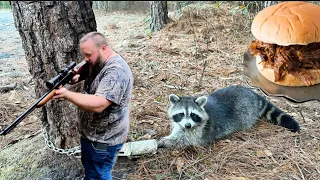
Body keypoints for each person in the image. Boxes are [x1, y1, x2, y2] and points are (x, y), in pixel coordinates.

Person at [52, 31, 134, 180]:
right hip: (92, 135)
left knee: (99, 175)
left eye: (88, 55)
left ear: (103, 48)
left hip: (104, 139)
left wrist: (66, 94)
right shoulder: (101, 61)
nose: (85, 59)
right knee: (92, 171)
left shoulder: (116, 72)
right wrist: (78, 76)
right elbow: (94, 71)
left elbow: (99, 104)